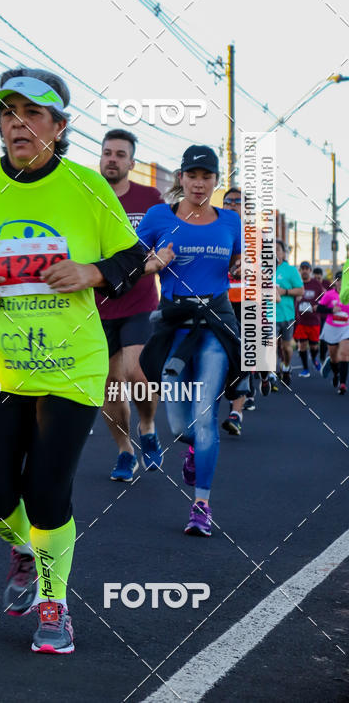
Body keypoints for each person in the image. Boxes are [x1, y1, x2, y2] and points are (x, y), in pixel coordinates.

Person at [0, 68, 159, 654]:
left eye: (32, 114)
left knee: (46, 492)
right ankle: (23, 547)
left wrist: (92, 272)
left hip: (71, 364)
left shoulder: (89, 188)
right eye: (8, 114)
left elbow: (133, 256)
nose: (17, 124)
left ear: (59, 127)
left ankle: (53, 603)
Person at [138, 145, 246, 538]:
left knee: (204, 418)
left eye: (207, 176)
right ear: (180, 178)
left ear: (216, 181)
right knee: (180, 422)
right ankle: (191, 449)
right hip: (174, 324)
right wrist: (153, 264)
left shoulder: (230, 221)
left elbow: (239, 261)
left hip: (216, 322)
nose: (200, 183)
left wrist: (239, 263)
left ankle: (201, 504)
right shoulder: (158, 217)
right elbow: (130, 261)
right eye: (193, 175)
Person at [97, 129, 164, 480]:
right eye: (108, 152)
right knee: (110, 384)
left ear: (131, 162)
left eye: (120, 154)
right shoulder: (89, 195)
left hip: (139, 299)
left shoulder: (150, 198)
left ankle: (148, 425)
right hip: (98, 304)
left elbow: (162, 243)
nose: (112, 159)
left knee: (135, 373)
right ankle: (124, 452)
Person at [220, 187, 249, 431]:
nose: (232, 205)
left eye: (238, 202)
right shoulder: (216, 230)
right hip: (220, 300)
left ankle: (235, 414)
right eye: (227, 201)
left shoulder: (256, 237)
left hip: (248, 303)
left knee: (241, 356)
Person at [275, 240, 303, 389]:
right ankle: (270, 376)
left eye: (277, 249)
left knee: (286, 347)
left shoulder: (290, 270)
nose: (274, 252)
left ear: (283, 253)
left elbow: (300, 290)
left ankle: (286, 366)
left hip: (287, 315)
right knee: (269, 346)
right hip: (268, 316)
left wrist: (283, 292)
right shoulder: (261, 269)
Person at [319, 272, 349, 393]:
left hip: (346, 328)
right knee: (334, 358)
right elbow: (319, 308)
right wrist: (331, 310)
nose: (341, 283)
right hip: (331, 327)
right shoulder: (329, 295)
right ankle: (335, 374)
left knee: (344, 355)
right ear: (335, 282)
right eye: (339, 280)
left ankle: (342, 384)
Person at [294, 261, 324, 378]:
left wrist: (318, 305)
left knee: (313, 346)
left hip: (314, 321)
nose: (305, 270)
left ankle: (314, 358)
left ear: (310, 271)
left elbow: (323, 298)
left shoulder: (316, 284)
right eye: (303, 268)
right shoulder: (296, 283)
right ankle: (305, 369)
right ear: (300, 271)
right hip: (301, 321)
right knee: (302, 345)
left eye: (307, 268)